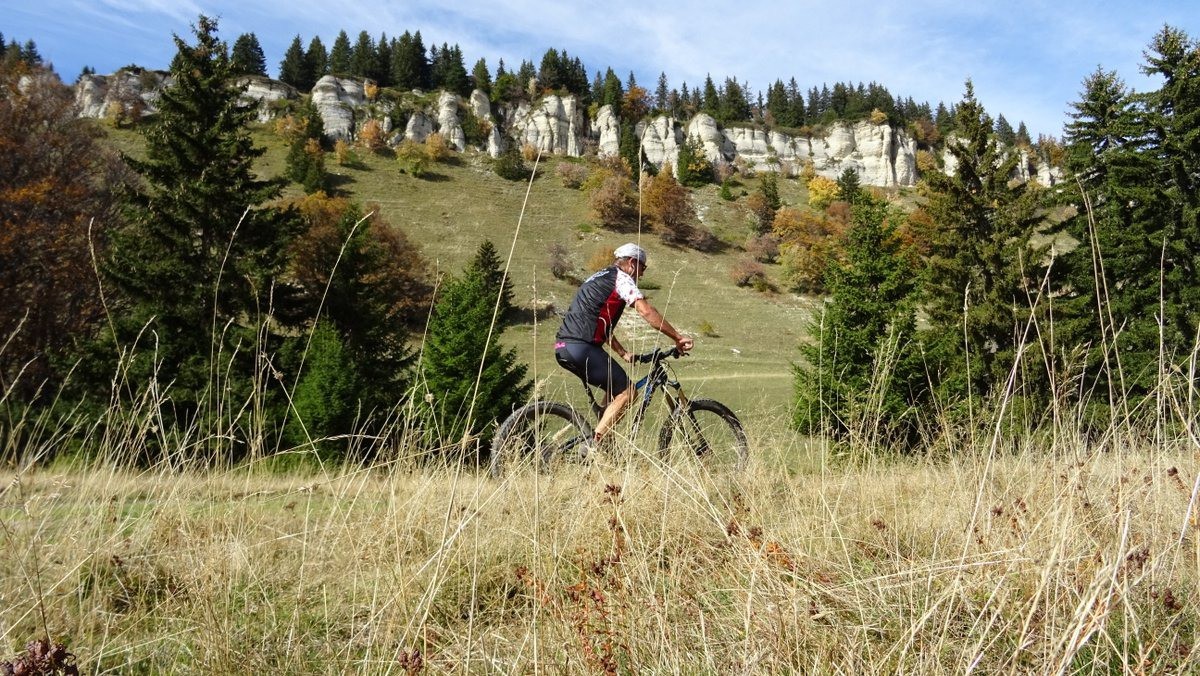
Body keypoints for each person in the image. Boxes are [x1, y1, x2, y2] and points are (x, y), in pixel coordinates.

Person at [554, 242, 694, 445]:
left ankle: (603, 442)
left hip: (565, 347)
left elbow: (600, 324)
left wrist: (623, 353)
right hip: (582, 346)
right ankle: (594, 444)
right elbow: (646, 311)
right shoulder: (621, 279)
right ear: (632, 263)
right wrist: (677, 338)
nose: (642, 275)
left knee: (613, 391)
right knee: (628, 392)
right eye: (642, 268)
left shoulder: (598, 277)